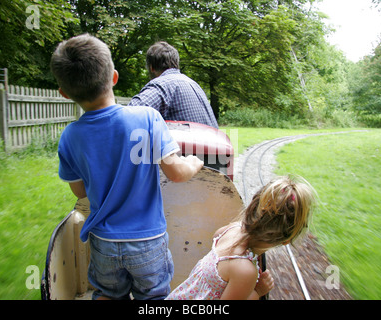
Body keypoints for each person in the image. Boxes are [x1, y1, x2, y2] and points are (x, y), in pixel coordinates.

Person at [50, 33, 204, 300]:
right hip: (148, 241)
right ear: (114, 77)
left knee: (108, 294)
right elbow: (176, 173)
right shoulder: (147, 118)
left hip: (104, 243)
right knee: (153, 299)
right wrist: (193, 163)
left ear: (64, 93)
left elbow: (80, 193)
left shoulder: (70, 136)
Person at [166, 175, 317, 300]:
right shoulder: (245, 271)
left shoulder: (231, 230)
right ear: (286, 240)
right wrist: (258, 291)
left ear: (252, 208)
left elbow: (216, 235)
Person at [128, 41, 219, 129]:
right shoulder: (193, 84)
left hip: (189, 144)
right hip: (212, 142)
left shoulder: (162, 85)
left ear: (151, 68)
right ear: (175, 63)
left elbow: (128, 117)